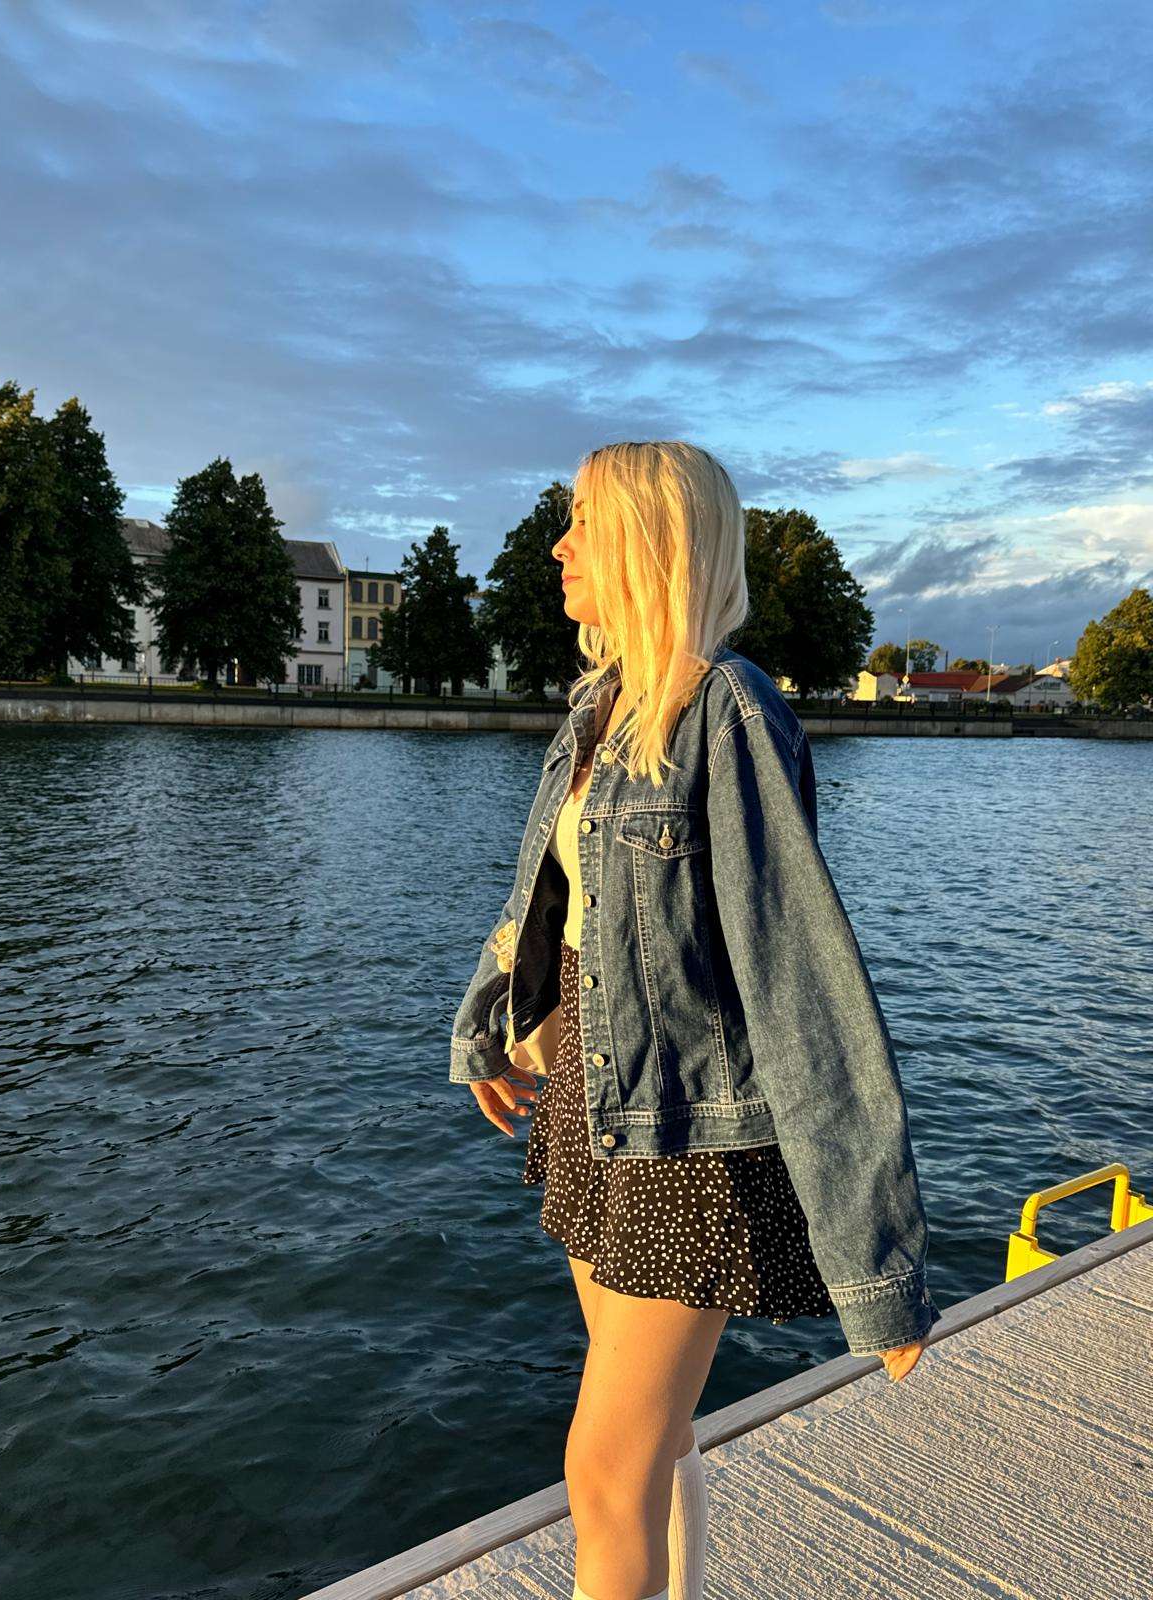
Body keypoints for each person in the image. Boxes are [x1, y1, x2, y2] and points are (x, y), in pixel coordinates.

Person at [448, 441, 941, 1600]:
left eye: (582, 521)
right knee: (655, 1439)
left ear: (649, 539)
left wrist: (875, 1258)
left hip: (692, 1142)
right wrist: (493, 1026)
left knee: (603, 1468)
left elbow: (800, 975)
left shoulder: (727, 712)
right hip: (594, 1104)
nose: (560, 546)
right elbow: (547, 911)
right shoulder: (600, 708)